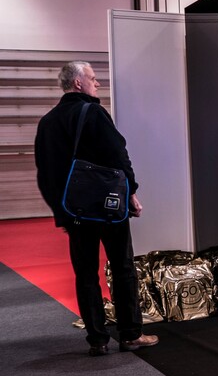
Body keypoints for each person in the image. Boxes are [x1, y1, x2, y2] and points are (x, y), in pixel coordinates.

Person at [34, 61, 158, 356]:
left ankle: (97, 340)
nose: (97, 83)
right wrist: (131, 192)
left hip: (75, 212)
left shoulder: (48, 122)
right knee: (123, 268)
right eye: (93, 78)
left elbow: (45, 174)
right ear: (78, 83)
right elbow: (118, 154)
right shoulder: (93, 112)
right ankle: (130, 335)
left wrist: (62, 211)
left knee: (85, 274)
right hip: (108, 208)